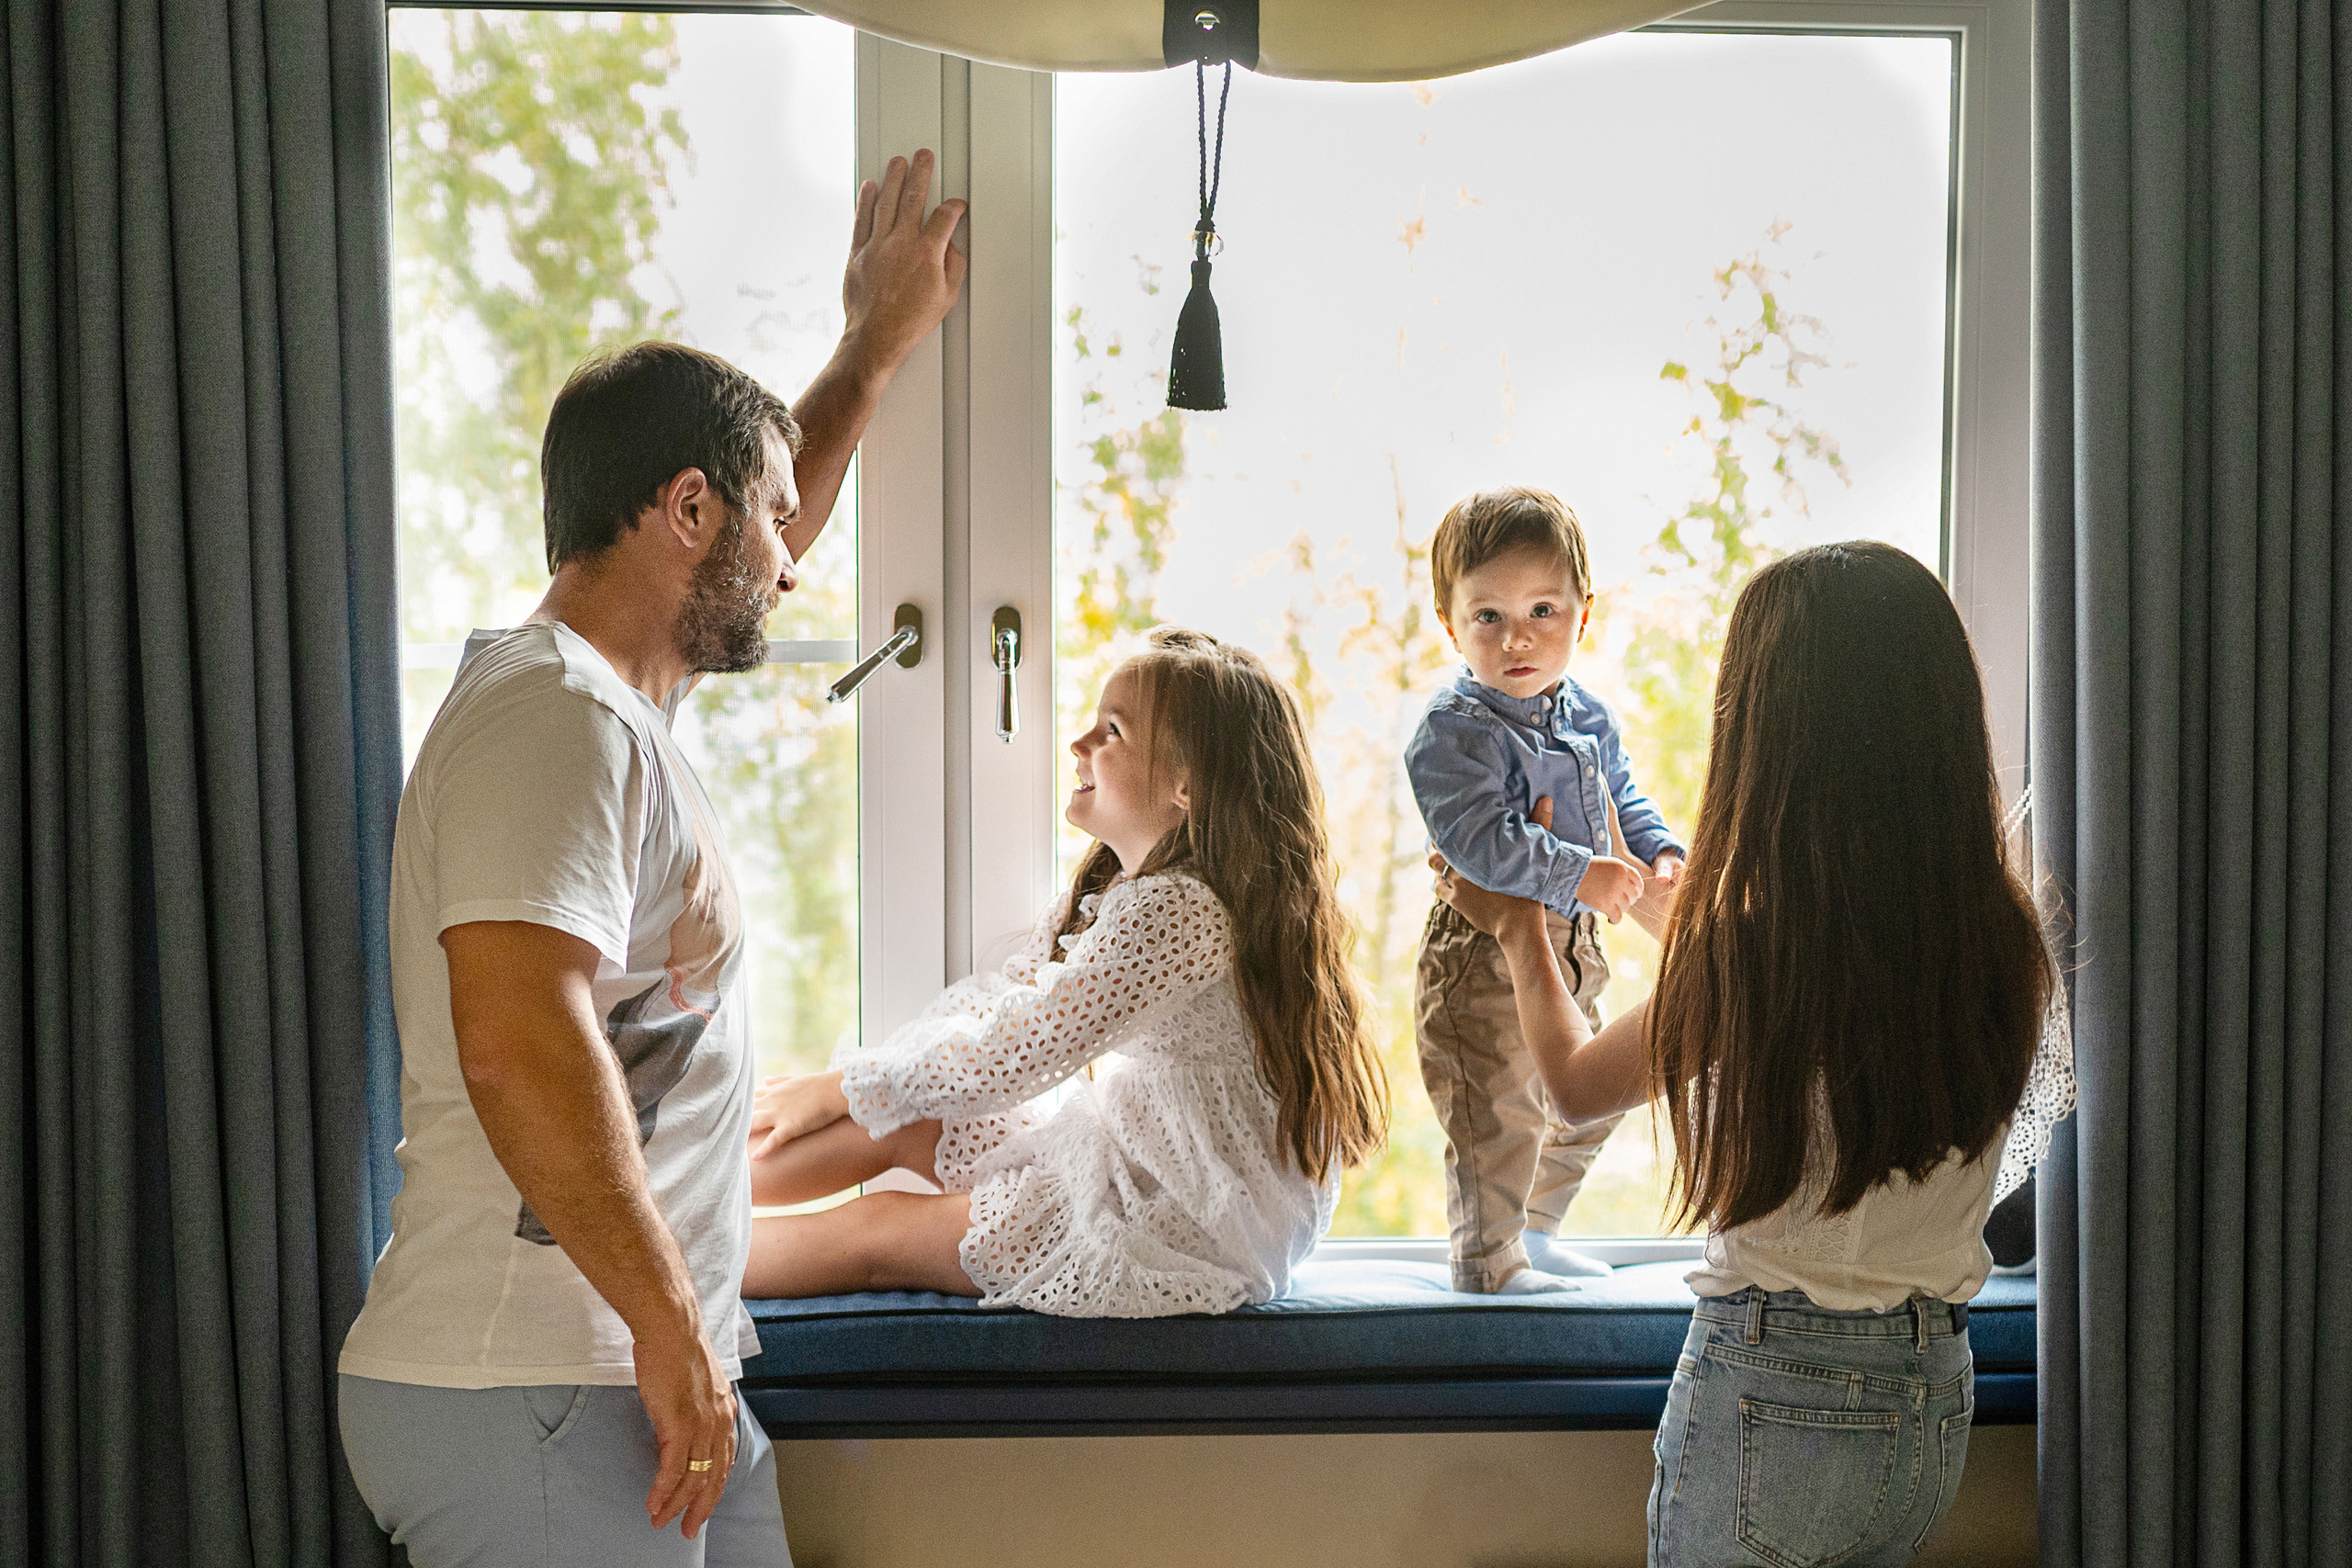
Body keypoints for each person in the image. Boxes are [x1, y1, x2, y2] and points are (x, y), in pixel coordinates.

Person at [336, 152, 967, 1567]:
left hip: (627, 1369)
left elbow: (768, 502)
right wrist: (670, 1323)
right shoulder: (549, 716)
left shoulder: (610, 709)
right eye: (769, 516)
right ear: (687, 511)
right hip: (537, 1383)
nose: (797, 556)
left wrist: (869, 352)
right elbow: (514, 1034)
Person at [1433, 541, 2060, 1566]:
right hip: (1933, 1386)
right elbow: (1811, 1013)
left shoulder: (1760, 944)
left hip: (1779, 1383)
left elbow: (1580, 1090)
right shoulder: (1996, 931)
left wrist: (1516, 934)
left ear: (1769, 734)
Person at [741, 626, 1389, 1317]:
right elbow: (1007, 1002)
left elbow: (1025, 1043)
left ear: (1186, 785)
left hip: (1188, 1213)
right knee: (904, 1115)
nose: (1080, 743)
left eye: (1111, 731)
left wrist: (845, 1083)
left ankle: (680, 1256)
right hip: (1147, 1162)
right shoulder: (1127, 887)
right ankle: (683, 1196)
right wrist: (854, 1088)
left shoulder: (1184, 909)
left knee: (883, 1227)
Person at [1403, 487, 1685, 1294]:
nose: (1517, 637)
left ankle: (1539, 1228)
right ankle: (1488, 1262)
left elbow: (1622, 796)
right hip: (1484, 951)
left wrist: (1660, 850)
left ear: (1583, 616)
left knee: (1587, 1096)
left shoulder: (1589, 715)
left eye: (1542, 610)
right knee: (1498, 1112)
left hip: (1574, 941)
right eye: (1487, 616)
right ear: (1450, 624)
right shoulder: (1454, 730)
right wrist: (1580, 870)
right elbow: (1479, 840)